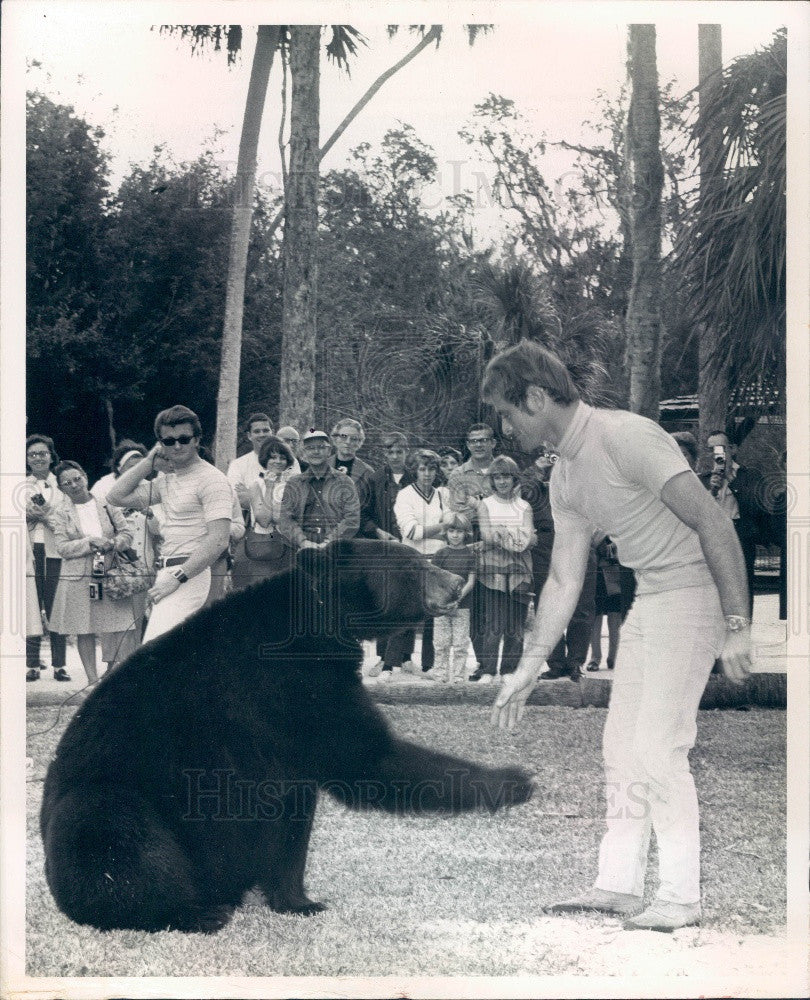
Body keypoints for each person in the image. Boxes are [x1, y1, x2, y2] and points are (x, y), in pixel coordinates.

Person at [485, 340, 752, 933]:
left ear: (535, 397)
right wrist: (530, 662)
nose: (505, 427)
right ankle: (619, 885)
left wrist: (737, 623)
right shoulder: (565, 474)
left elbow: (713, 520)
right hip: (653, 596)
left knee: (660, 747)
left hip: (697, 592)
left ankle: (681, 896)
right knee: (621, 749)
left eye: (507, 412)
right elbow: (562, 577)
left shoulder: (626, 436)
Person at [107, 405, 233, 642]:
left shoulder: (212, 479)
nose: (177, 446)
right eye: (169, 441)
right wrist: (148, 463)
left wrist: (177, 578)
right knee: (175, 655)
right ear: (160, 444)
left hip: (188, 574)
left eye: (184, 439)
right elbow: (116, 497)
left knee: (154, 650)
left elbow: (218, 539)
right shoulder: (167, 480)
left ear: (197, 440)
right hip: (167, 571)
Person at [48, 461, 137, 684]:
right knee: (83, 627)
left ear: (85, 477)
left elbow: (126, 533)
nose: (74, 485)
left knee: (116, 623)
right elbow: (62, 547)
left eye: (77, 478)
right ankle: (91, 680)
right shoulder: (61, 513)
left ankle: (111, 672)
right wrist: (89, 543)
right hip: (77, 575)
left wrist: (112, 543)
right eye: (67, 483)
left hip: (110, 570)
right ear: (61, 488)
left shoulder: (107, 503)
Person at [520, 450, 597, 682]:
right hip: (546, 543)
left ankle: (575, 662)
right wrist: (538, 469)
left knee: (582, 605)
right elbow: (521, 496)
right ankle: (555, 662)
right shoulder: (537, 485)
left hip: (578, 541)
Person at [470, 456, 535, 683]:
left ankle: (509, 670)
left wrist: (503, 533)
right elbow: (487, 534)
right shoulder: (485, 504)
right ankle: (488, 670)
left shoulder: (525, 506)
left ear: (514, 477)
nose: (502, 481)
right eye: (497, 477)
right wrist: (512, 535)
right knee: (494, 621)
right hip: (492, 569)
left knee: (515, 623)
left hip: (521, 569)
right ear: (492, 480)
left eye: (506, 476)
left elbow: (527, 537)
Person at [393, 449, 453, 677]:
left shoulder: (443, 495)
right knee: (407, 611)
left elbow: (454, 528)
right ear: (414, 470)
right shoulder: (405, 495)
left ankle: (430, 665)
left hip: (437, 561)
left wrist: (436, 532)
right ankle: (401, 661)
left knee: (433, 614)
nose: (427, 474)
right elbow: (411, 531)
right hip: (411, 561)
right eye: (422, 469)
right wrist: (441, 529)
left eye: (432, 469)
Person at [446, 424, 498, 677]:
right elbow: (458, 512)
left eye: (483, 440)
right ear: (467, 445)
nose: (478, 445)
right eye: (473, 441)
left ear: (493, 443)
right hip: (469, 541)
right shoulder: (458, 474)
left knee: (498, 605)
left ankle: (500, 665)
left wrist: (478, 504)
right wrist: (488, 506)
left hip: (500, 542)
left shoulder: (504, 469)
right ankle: (483, 664)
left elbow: (513, 506)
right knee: (475, 606)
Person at [364, 432, 416, 679]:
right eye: (390, 452)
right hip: (383, 549)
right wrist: (379, 532)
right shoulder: (373, 480)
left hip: (411, 546)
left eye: (400, 451)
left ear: (407, 452)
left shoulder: (416, 477)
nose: (395, 456)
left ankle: (405, 657)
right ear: (384, 453)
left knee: (409, 599)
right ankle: (384, 658)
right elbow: (363, 516)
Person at [700, 429, 765, 616]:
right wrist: (712, 490)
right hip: (712, 539)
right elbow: (698, 513)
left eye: (720, 448)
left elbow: (754, 509)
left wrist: (731, 480)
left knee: (741, 589)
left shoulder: (749, 476)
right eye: (710, 449)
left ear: (732, 449)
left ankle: (742, 634)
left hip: (739, 537)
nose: (715, 454)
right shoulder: (702, 479)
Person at [25, 434, 70, 682]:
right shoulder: (21, 485)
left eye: (42, 453)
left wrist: (46, 516)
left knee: (56, 607)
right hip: (29, 551)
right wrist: (28, 514)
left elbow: (66, 518)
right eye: (33, 454)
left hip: (56, 551)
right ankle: (31, 664)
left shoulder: (62, 485)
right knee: (31, 606)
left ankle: (59, 665)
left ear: (51, 456)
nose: (38, 458)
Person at [230, 436, 297, 589]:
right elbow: (264, 520)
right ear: (265, 460)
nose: (278, 461)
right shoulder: (257, 485)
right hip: (263, 547)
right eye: (273, 457)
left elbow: (284, 518)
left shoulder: (294, 485)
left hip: (289, 546)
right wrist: (270, 488)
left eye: (282, 457)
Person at [277, 430, 360, 550]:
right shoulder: (294, 483)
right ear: (304, 452)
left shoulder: (344, 482)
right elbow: (285, 519)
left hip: (334, 546)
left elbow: (352, 519)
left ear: (329, 451)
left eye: (321, 447)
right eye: (310, 448)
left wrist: (329, 542)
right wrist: (303, 542)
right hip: (298, 547)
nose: (316, 452)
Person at [430, 513, 476, 683]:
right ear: (446, 532)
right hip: (441, 607)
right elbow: (434, 580)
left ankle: (458, 677)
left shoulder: (470, 555)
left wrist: (457, 599)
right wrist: (443, 600)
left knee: (460, 645)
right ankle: (440, 676)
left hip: (462, 606)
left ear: (466, 533)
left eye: (459, 532)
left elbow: (471, 581)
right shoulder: (440, 554)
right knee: (441, 644)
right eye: (451, 531)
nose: (455, 535)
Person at [586, 535, 635, 672]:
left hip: (616, 573)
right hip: (597, 573)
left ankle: (613, 657)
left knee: (615, 617)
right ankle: (595, 658)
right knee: (595, 617)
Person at [329, 418, 376, 534]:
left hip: (355, 533)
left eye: (354, 439)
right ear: (335, 438)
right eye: (343, 436)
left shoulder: (367, 472)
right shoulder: (320, 467)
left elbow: (369, 510)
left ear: (359, 442)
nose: (348, 442)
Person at [227, 413, 275, 521]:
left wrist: (251, 494)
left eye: (266, 430)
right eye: (257, 431)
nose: (262, 434)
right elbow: (237, 499)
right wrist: (273, 501)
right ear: (249, 436)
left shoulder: (289, 461)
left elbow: (291, 499)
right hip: (250, 526)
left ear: (273, 432)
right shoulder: (237, 464)